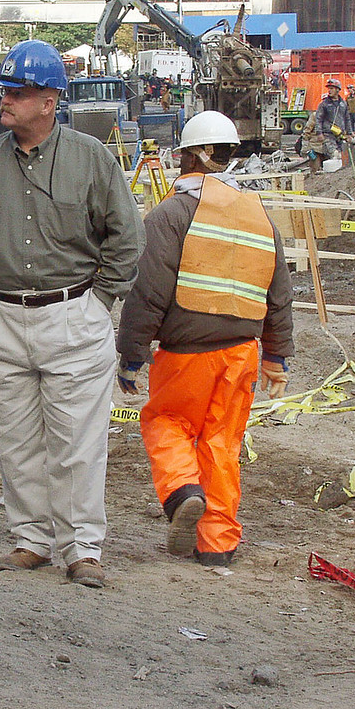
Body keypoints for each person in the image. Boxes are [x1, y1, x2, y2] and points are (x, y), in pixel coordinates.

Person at [0, 39, 144, 589]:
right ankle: (31, 538)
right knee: (15, 439)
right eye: (5, 89)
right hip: (0, 318)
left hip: (72, 313)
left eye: (19, 91)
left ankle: (82, 548)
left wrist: (99, 301)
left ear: (50, 99)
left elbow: (126, 237)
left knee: (78, 442)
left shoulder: (92, 158)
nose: (6, 100)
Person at [116, 110, 293, 566]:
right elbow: (279, 292)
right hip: (243, 355)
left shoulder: (171, 214)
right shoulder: (258, 216)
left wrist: (132, 354)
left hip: (188, 353)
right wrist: (277, 355)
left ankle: (180, 495)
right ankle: (217, 545)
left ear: (189, 155)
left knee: (166, 422)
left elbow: (148, 291)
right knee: (222, 444)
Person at [314, 78, 349, 158]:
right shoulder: (324, 104)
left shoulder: (343, 104)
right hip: (328, 134)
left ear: (337, 90)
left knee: (342, 157)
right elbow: (318, 119)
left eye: (332, 88)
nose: (329, 91)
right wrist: (319, 133)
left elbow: (347, 119)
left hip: (340, 135)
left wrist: (349, 133)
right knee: (335, 155)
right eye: (329, 89)